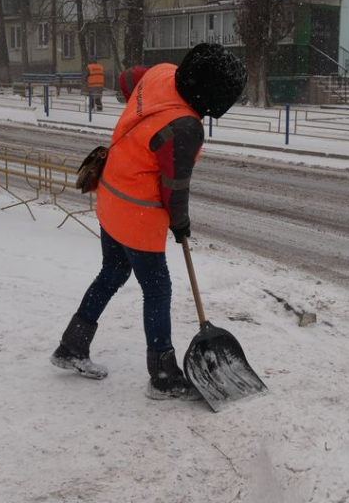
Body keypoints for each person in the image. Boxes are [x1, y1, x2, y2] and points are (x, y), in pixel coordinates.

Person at [51, 43, 247, 400]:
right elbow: (174, 186)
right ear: (213, 96)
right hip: (137, 212)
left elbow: (128, 81)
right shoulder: (185, 127)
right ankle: (162, 375)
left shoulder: (162, 74)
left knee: (111, 274)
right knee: (157, 289)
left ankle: (72, 346)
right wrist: (180, 223)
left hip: (110, 194)